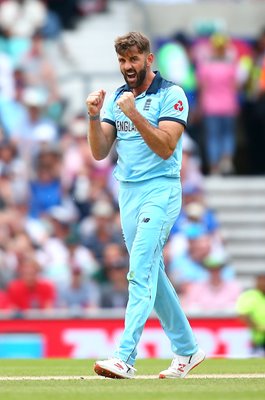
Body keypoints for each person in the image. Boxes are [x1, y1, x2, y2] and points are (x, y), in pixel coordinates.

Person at [86, 31, 205, 379]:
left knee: (139, 268)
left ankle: (125, 356)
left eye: (134, 59)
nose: (128, 67)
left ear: (149, 59)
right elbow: (98, 151)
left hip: (161, 190)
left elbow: (167, 147)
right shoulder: (118, 97)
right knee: (152, 272)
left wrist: (135, 115)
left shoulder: (172, 94)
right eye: (123, 61)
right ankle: (187, 349)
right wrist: (94, 116)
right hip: (128, 193)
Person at [236, 273, 265, 357]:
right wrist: (258, 327)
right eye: (262, 281)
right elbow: (242, 315)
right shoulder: (249, 295)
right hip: (257, 339)